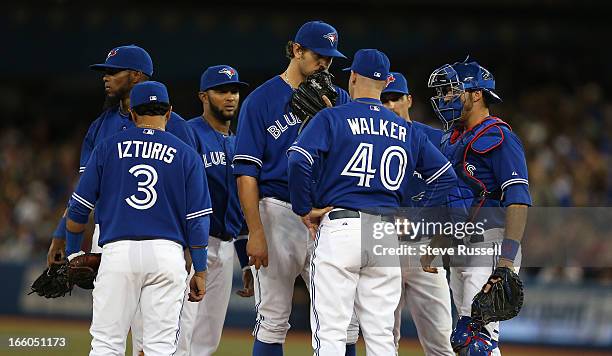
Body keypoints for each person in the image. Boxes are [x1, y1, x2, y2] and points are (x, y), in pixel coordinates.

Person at [287, 49, 457, 355]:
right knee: (380, 336)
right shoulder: (406, 129)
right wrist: (415, 218)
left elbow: (298, 160)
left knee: (331, 334)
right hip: (385, 232)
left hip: (342, 226)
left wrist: (304, 208)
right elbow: (445, 177)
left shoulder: (333, 116)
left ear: (352, 77)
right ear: (384, 83)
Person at [232, 21, 358, 356]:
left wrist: (334, 118)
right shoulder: (261, 100)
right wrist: (254, 232)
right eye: (319, 56)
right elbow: (246, 174)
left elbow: (350, 161)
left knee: (343, 321)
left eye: (331, 59)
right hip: (278, 212)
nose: (325, 64)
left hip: (326, 214)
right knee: (273, 318)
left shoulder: (339, 98)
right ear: (296, 50)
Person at [65, 81, 212, 355]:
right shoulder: (187, 155)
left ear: (132, 113)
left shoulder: (107, 148)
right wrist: (200, 270)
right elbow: (198, 223)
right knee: (159, 348)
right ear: (169, 112)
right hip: (167, 256)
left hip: (117, 253)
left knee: (107, 345)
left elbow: (78, 210)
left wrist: (73, 254)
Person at [47, 44, 195, 263]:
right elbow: (85, 189)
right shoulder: (100, 127)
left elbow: (192, 190)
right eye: (105, 73)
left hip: (165, 236)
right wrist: (61, 234)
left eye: (113, 72)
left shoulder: (176, 126)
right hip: (109, 235)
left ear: (136, 75)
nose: (106, 78)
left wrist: (193, 249)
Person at [428, 59, 531, 355]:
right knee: (465, 340)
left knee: (477, 342)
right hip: (463, 248)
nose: (445, 98)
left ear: (476, 94)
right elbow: (457, 201)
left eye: (451, 91)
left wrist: (507, 261)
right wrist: (440, 240)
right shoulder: (454, 139)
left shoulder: (499, 136)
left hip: (490, 245)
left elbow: (518, 198)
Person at [176, 65, 250, 356]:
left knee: (208, 336)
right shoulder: (189, 133)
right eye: (221, 91)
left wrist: (245, 261)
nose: (230, 96)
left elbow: (243, 206)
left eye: (234, 90)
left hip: (227, 246)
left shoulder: (241, 140)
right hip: (193, 242)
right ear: (203, 96)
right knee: (181, 329)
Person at [381, 72, 454, 355]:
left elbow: (453, 190)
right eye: (384, 99)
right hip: (382, 245)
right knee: (384, 339)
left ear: (408, 100)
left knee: (442, 342)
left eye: (395, 98)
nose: (390, 105)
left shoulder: (435, 139)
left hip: (426, 246)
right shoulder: (371, 140)